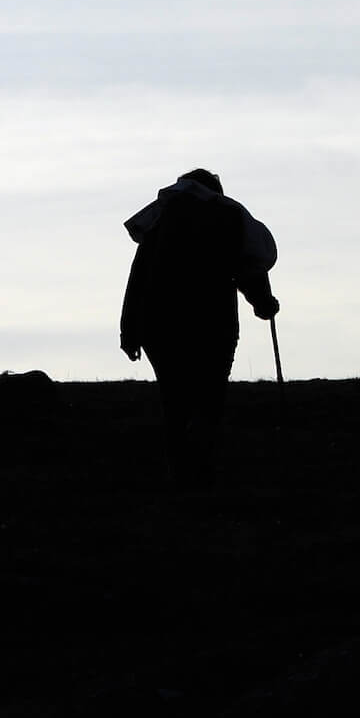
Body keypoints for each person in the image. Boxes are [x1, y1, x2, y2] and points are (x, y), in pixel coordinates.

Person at [119, 168, 279, 489]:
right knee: (209, 394)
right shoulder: (228, 216)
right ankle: (201, 468)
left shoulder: (159, 219)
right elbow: (249, 264)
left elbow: (139, 276)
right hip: (211, 321)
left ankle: (180, 472)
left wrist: (130, 330)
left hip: (160, 324)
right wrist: (263, 302)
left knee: (174, 399)